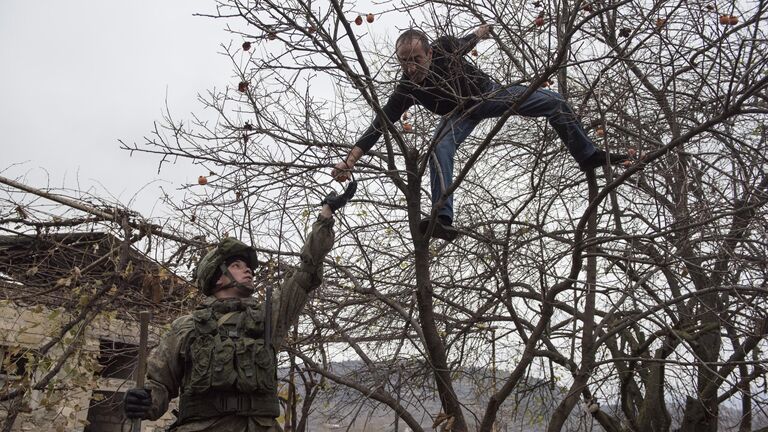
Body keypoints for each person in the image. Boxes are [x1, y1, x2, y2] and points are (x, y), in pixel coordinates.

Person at [331, 26, 628, 241]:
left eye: (415, 59)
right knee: (439, 149)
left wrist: (483, 31)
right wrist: (350, 160)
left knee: (554, 102)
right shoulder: (406, 89)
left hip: (487, 96)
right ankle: (442, 219)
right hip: (458, 116)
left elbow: (467, 39)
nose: (410, 68)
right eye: (403, 61)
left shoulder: (446, 48)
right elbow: (379, 125)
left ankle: (587, 155)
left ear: (429, 52)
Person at [123, 182, 357, 431]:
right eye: (236, 264)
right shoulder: (187, 328)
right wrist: (143, 400)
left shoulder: (268, 317)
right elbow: (159, 385)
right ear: (218, 277)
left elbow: (306, 272)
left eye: (248, 267)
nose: (247, 270)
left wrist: (326, 215)